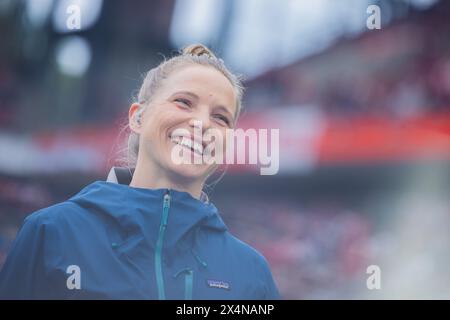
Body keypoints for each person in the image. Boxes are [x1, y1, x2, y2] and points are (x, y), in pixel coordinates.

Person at [0, 44, 280, 299]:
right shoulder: (52, 232)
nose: (201, 123)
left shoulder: (252, 274)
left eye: (220, 117)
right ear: (138, 117)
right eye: (183, 102)